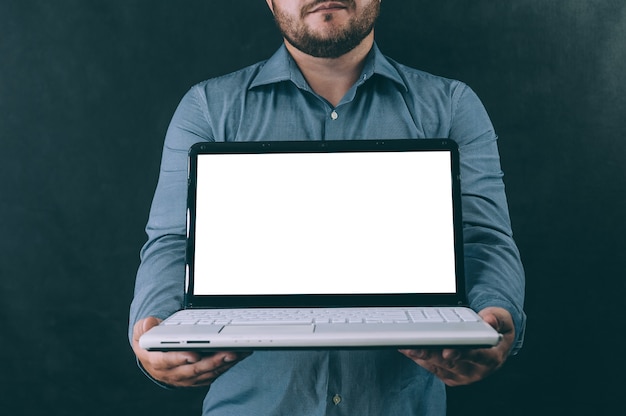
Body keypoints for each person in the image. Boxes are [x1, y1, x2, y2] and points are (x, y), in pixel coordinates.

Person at [129, 0, 526, 414]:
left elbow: (483, 239)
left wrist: (495, 317)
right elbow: (175, 242)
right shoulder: (209, 108)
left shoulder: (451, 105)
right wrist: (154, 331)